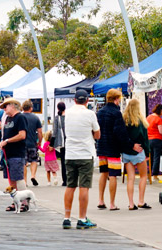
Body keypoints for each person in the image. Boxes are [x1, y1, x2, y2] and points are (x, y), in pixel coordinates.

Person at [96, 89, 142, 210]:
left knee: (103, 173)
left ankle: (101, 200)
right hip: (113, 148)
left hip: (101, 147)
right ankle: (112, 203)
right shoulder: (116, 113)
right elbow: (120, 133)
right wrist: (131, 145)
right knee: (112, 175)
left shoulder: (100, 112)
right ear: (116, 99)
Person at [63, 89, 101, 230]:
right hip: (85, 154)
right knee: (83, 187)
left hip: (70, 154)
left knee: (70, 186)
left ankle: (66, 218)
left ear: (74, 100)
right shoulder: (90, 114)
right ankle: (82, 218)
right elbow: (97, 135)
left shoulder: (68, 113)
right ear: (87, 100)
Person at [122, 99, 151, 210]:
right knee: (143, 176)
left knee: (130, 178)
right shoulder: (141, 121)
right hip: (139, 152)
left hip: (127, 152)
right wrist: (147, 152)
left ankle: (130, 203)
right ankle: (141, 201)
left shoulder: (124, 121)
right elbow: (145, 139)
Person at [0, 99, 27, 212]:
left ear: (12, 106)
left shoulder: (20, 118)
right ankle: (15, 201)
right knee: (11, 180)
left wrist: (7, 141)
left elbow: (22, 135)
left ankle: (24, 202)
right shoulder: (8, 119)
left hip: (17, 153)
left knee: (18, 178)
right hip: (7, 154)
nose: (4, 109)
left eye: (6, 106)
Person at [22, 100, 43, 186]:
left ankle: (25, 181)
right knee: (34, 160)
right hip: (32, 143)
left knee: (23, 162)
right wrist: (39, 142)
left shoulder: (20, 117)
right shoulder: (35, 117)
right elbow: (40, 132)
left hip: (22, 143)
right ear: (31, 108)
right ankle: (33, 176)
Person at [147, 104, 162, 183]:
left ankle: (149, 174)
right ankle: (155, 175)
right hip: (157, 140)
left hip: (149, 139)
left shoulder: (148, 117)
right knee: (156, 158)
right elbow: (161, 131)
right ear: (160, 111)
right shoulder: (158, 119)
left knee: (150, 157)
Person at [53, 101, 67, 186]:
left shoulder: (57, 118)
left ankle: (65, 180)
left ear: (58, 108)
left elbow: (54, 132)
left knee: (63, 161)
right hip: (70, 141)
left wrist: (51, 143)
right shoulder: (69, 117)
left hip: (61, 142)